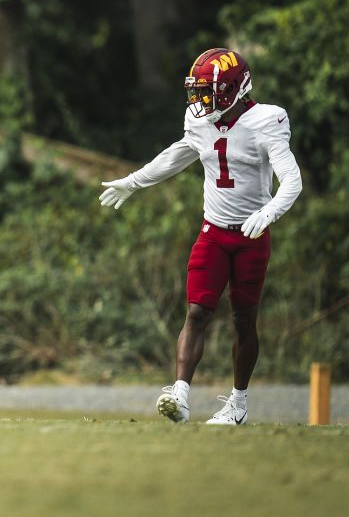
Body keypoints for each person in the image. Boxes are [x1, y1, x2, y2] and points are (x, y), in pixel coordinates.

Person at [98, 47, 302, 425]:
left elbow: (291, 179)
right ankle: (180, 396)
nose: (198, 100)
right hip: (213, 232)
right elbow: (177, 154)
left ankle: (238, 405)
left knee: (244, 320)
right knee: (196, 312)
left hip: (251, 235)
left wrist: (268, 211)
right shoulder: (200, 121)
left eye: (207, 91)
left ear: (231, 90)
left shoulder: (267, 120)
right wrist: (133, 181)